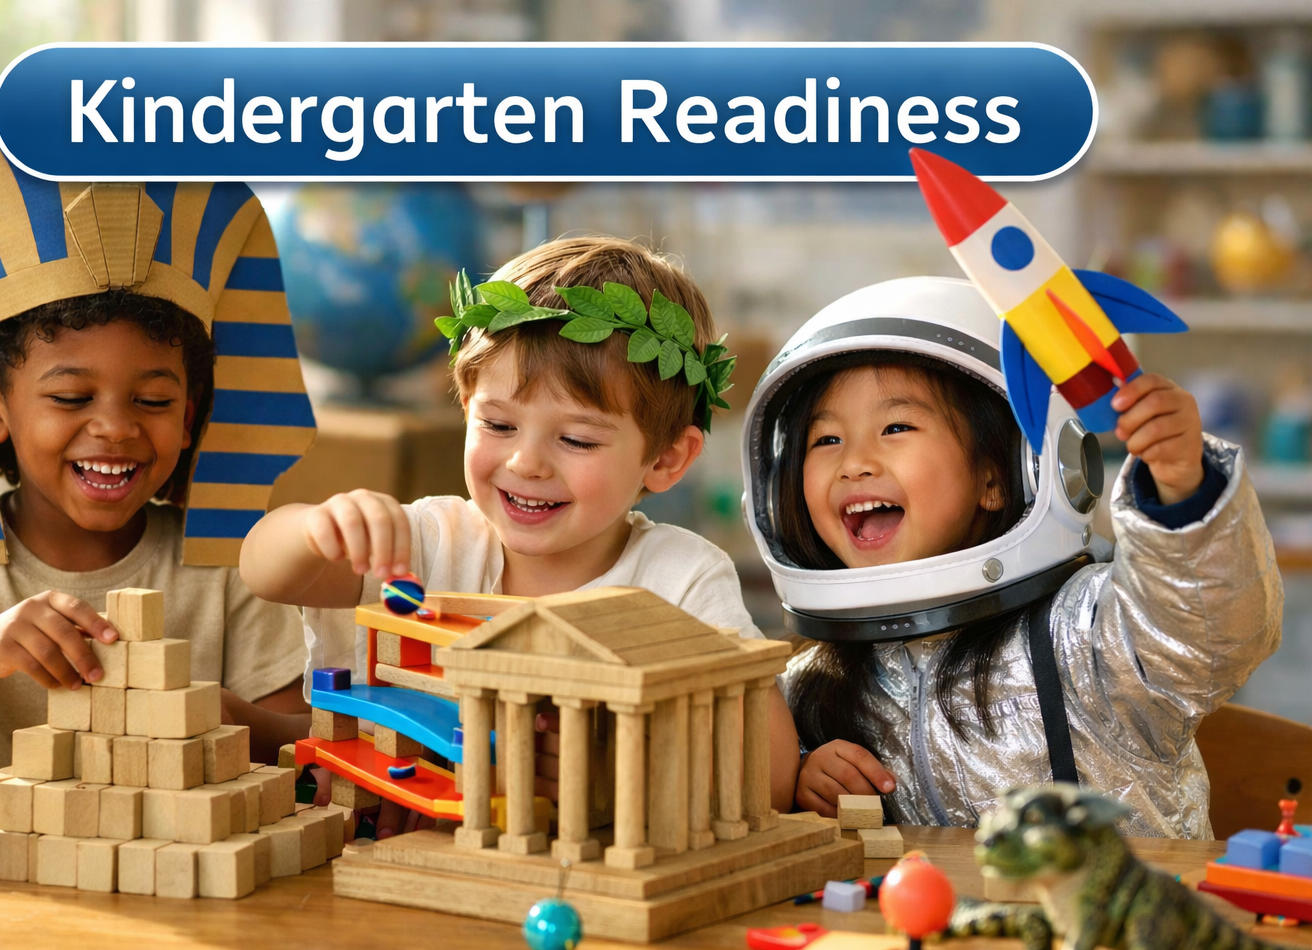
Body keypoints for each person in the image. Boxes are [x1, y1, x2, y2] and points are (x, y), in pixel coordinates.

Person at [0, 142, 313, 787]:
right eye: (72, 397)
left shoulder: (228, 564)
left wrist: (222, 716)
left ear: (189, 417)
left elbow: (300, 737)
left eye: (154, 400)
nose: (115, 426)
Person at [240, 236, 762, 836]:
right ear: (466, 408)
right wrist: (316, 528)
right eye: (498, 424)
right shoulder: (434, 541)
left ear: (667, 459)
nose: (526, 463)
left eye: (578, 440)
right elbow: (263, 570)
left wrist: (615, 768)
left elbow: (766, 773)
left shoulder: (682, 580)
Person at [743, 277, 1280, 838]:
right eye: (825, 440)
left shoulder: (1088, 641)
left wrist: (1183, 489)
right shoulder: (805, 683)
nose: (854, 463)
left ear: (1003, 475)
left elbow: (1210, 632)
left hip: (1112, 919)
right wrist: (804, 773)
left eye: (896, 426)